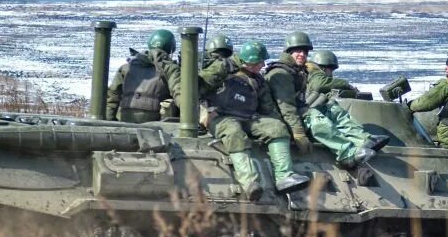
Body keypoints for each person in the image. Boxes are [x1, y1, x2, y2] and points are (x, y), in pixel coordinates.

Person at [200, 40, 310, 198]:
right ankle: (249, 182)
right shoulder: (223, 69)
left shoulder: (258, 80)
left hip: (248, 117)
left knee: (276, 127)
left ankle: (284, 176)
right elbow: (198, 87)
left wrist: (291, 131)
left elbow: (269, 108)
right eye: (259, 62)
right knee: (233, 132)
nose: (263, 65)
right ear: (250, 61)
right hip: (220, 116)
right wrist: (204, 112)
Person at [265, 32, 389, 169]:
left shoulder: (297, 71)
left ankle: (363, 139)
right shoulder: (281, 74)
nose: (302, 55)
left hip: (297, 111)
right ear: (288, 52)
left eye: (305, 52)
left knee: (331, 108)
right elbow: (287, 108)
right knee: (315, 118)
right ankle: (346, 154)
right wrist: (298, 132)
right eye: (297, 51)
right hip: (281, 117)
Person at [106, 29, 181, 123]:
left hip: (125, 120)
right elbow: (179, 94)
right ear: (171, 49)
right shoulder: (170, 68)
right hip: (157, 124)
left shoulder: (126, 67)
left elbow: (112, 97)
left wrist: (109, 122)